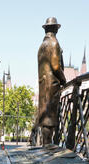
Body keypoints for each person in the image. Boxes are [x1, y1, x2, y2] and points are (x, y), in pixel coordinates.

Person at [38, 17, 66, 145]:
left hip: (43, 85)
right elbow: (55, 66)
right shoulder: (54, 43)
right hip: (52, 85)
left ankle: (45, 144)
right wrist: (63, 79)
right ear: (55, 29)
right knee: (51, 117)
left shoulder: (41, 46)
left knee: (45, 116)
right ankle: (48, 146)